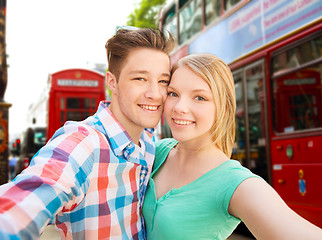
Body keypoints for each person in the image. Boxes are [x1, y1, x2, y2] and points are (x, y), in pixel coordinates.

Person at [0, 27, 174, 239]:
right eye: (140, 79)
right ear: (112, 82)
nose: (155, 94)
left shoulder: (148, 145)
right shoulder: (83, 143)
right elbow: (23, 203)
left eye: (163, 81)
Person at [142, 54, 322, 240]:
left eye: (200, 98)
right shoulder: (156, 151)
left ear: (224, 108)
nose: (180, 107)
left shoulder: (236, 183)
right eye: (173, 93)